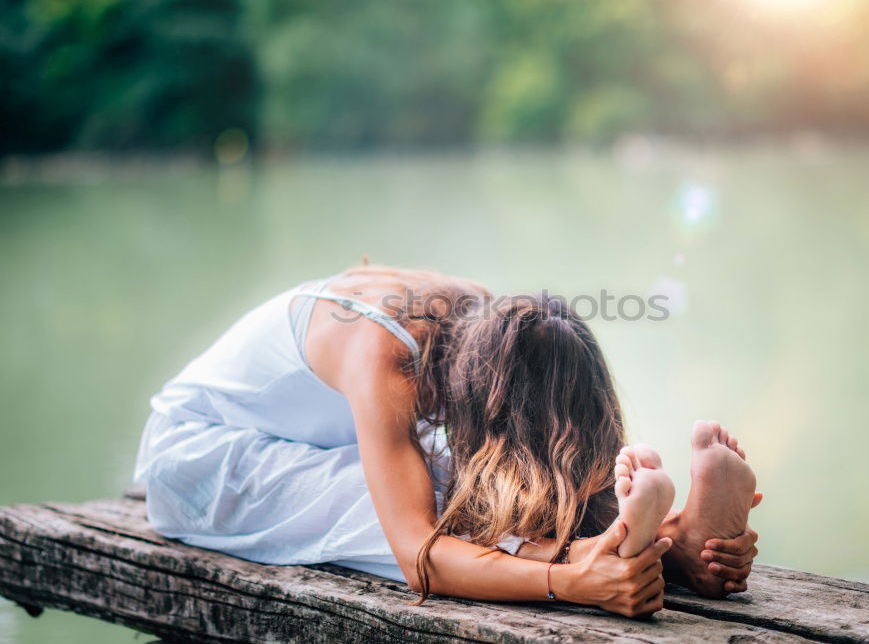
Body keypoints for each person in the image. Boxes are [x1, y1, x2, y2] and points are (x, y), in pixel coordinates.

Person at [134, 264, 761, 618]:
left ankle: (668, 545)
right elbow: (418, 557)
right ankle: (596, 555)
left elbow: (535, 452)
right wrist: (567, 587)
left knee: (470, 480)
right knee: (395, 504)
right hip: (201, 462)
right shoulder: (385, 355)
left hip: (315, 443)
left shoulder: (501, 329)